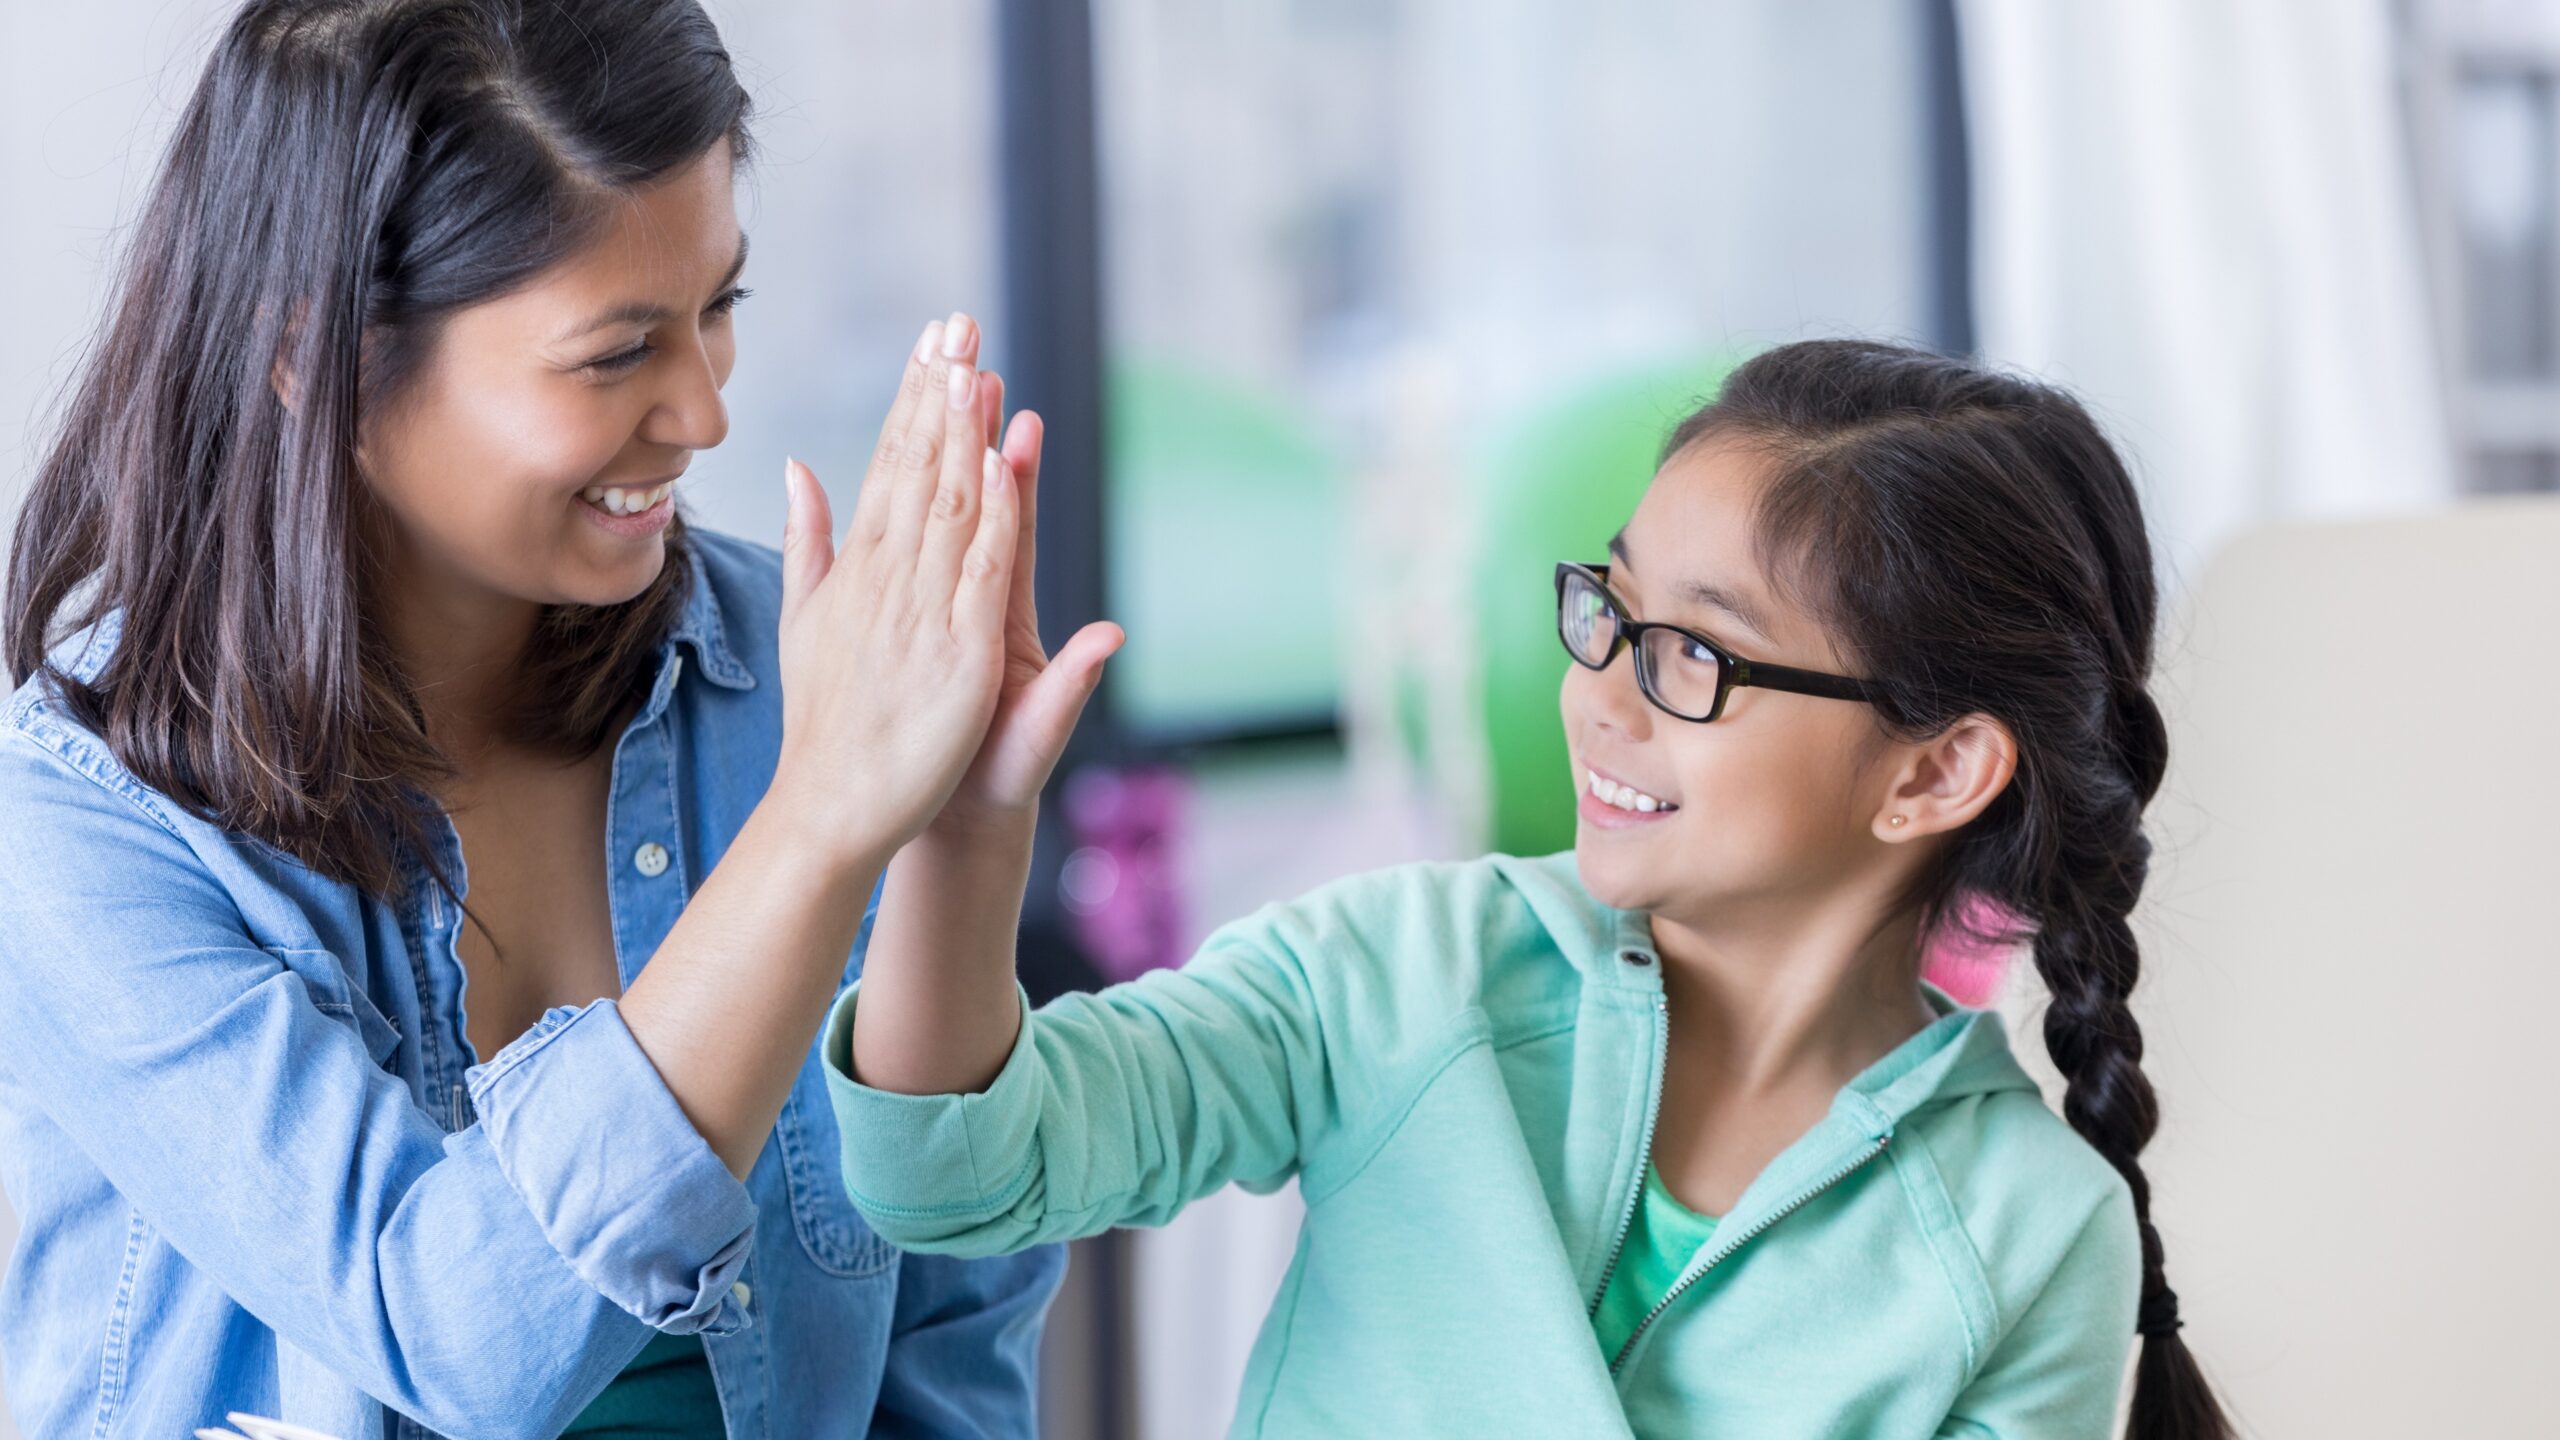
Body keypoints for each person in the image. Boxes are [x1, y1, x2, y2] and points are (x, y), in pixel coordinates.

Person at [0, 1, 1106, 1435]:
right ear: (314, 357)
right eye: (615, 353)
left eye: (719, 309)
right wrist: (821, 825)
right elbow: (447, 1332)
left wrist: (958, 842)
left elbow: (948, 1311)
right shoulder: (86, 812)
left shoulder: (803, 675)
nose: (705, 413)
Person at [824, 340, 2236, 1438]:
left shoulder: (2031, 1236)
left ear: (1933, 775)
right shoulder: (1403, 968)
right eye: (1610, 612)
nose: (1598, 697)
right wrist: (957, 832)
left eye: (1695, 659)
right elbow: (955, 1175)